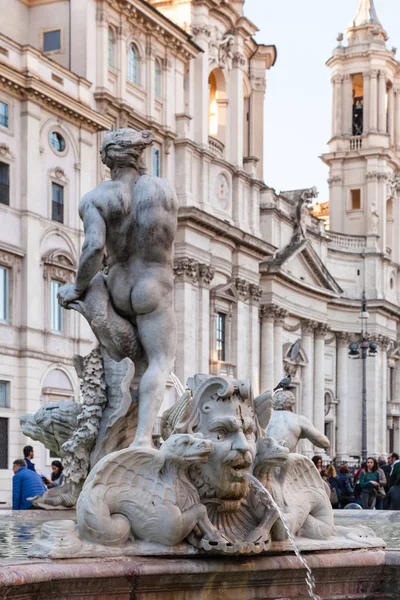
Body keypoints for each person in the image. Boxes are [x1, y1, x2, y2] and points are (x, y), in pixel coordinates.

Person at [57, 128, 178, 449]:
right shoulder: (163, 191)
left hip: (116, 285)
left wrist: (76, 287)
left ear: (107, 160)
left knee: (128, 356)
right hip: (153, 285)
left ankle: (115, 425)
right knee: (159, 362)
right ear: (139, 156)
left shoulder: (96, 198)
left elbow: (94, 247)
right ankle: (141, 439)